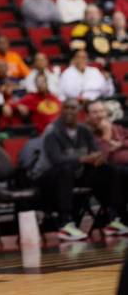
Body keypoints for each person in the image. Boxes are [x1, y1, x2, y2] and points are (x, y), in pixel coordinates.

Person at [38, 99, 128, 241]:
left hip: (75, 174)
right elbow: (57, 160)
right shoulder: (52, 130)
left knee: (107, 170)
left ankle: (113, 218)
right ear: (61, 110)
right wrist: (83, 159)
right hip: (48, 175)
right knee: (65, 169)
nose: (69, 111)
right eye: (66, 108)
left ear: (78, 112)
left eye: (73, 108)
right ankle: (65, 223)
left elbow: (96, 151)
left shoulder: (84, 130)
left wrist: (98, 157)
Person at [87, 100, 128, 169]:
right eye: (95, 112)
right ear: (88, 116)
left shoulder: (116, 127)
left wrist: (120, 144)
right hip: (114, 171)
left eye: (102, 111)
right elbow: (100, 160)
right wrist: (106, 133)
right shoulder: (86, 132)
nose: (100, 115)